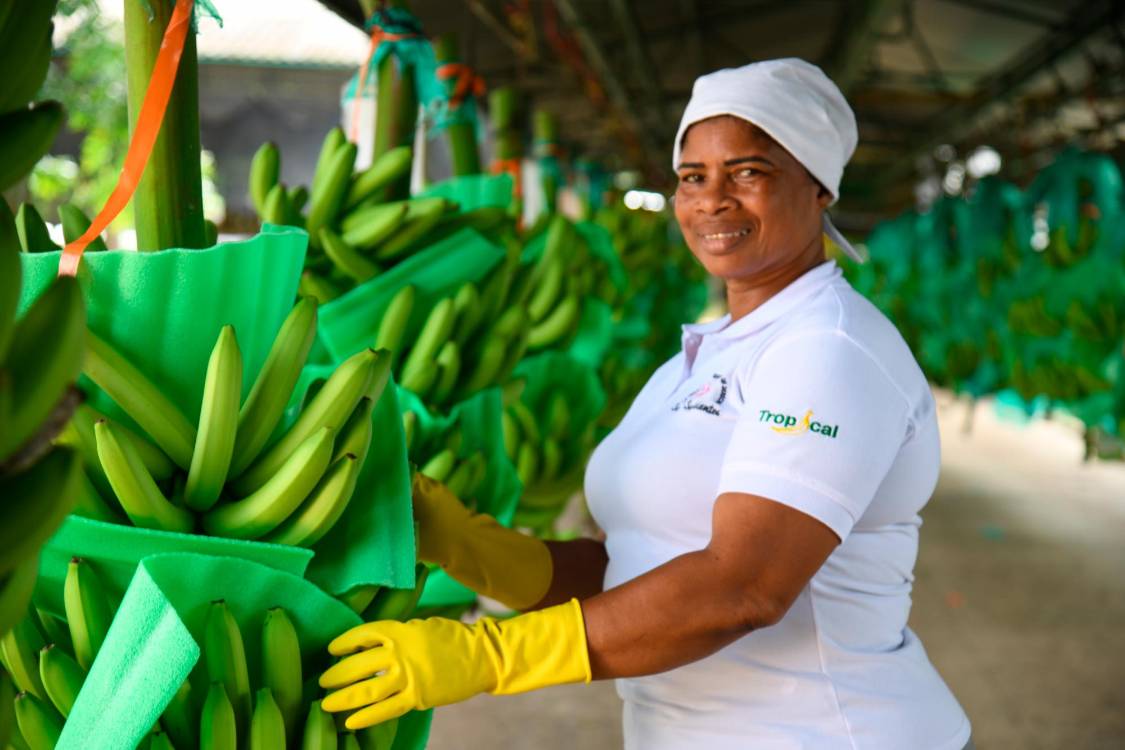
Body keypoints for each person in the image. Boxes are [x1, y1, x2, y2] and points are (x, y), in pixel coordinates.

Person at [319, 58, 972, 750]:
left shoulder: (828, 348)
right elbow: (632, 567)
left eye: (748, 172)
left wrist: (493, 655)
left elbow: (745, 586)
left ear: (819, 188)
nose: (712, 200)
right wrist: (473, 546)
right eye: (692, 176)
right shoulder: (700, 358)